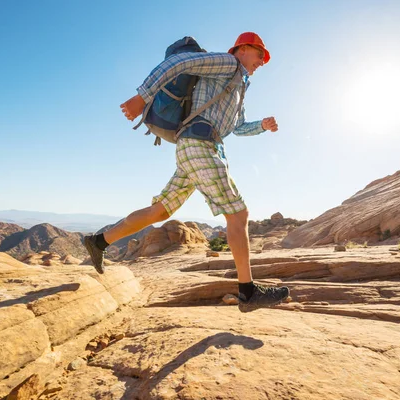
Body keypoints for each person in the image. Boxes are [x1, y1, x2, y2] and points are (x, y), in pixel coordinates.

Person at [84, 32, 290, 313]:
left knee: (160, 212)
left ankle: (98, 242)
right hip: (199, 146)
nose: (262, 62)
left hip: (198, 147)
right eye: (260, 55)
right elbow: (179, 63)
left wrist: (262, 126)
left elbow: (237, 127)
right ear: (243, 48)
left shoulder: (240, 85)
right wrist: (141, 97)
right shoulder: (227, 63)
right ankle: (248, 291)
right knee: (238, 214)